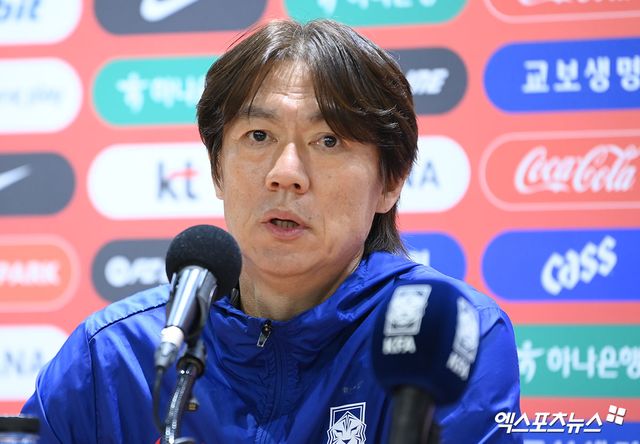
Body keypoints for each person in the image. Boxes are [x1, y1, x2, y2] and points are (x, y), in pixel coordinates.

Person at [22, 19, 522, 443]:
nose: (286, 173)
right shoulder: (117, 355)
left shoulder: (449, 337)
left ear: (390, 182)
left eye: (328, 140)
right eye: (259, 135)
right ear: (218, 171)